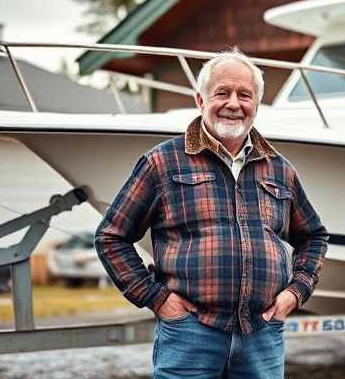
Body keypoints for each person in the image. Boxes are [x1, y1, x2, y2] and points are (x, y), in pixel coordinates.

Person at [95, 48, 329, 379]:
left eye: (244, 95)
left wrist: (295, 293)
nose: (234, 103)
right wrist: (157, 298)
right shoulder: (162, 163)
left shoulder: (279, 169)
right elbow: (111, 236)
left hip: (261, 334)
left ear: (256, 106)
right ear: (201, 100)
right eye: (222, 92)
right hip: (190, 334)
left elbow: (314, 236)